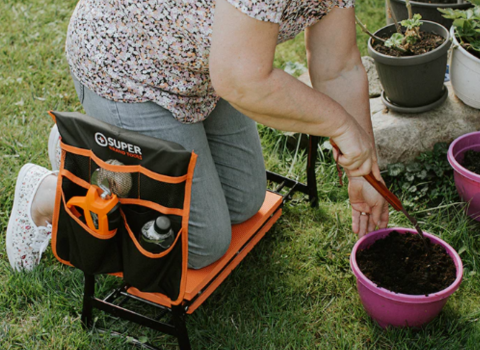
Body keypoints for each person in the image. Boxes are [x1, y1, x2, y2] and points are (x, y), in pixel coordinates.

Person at [6, 0, 390, 272]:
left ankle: (102, 156)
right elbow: (242, 80)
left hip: (205, 70)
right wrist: (341, 128)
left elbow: (338, 66)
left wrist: (364, 170)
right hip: (127, 70)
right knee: (202, 243)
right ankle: (50, 191)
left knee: (244, 201)